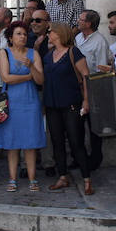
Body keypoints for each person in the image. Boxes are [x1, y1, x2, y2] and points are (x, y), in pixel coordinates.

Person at [43, 22, 94, 195]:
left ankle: (87, 179)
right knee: (57, 143)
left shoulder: (74, 52)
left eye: (51, 31)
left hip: (72, 104)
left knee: (76, 142)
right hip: (52, 105)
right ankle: (63, 176)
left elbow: (86, 76)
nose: (49, 34)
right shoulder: (48, 55)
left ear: (59, 33)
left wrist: (86, 101)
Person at [0, 21, 45, 192]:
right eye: (18, 34)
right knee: (12, 142)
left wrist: (31, 67)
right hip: (11, 101)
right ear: (10, 37)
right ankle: (12, 179)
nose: (22, 37)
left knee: (30, 142)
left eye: (24, 34)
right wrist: (27, 77)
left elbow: (40, 80)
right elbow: (6, 78)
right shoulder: (4, 53)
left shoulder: (33, 54)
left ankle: (33, 179)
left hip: (30, 100)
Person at [75, 9, 112, 170]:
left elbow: (102, 69)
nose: (78, 20)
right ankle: (80, 158)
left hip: (94, 88)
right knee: (78, 126)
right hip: (78, 87)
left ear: (89, 23)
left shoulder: (100, 42)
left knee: (94, 127)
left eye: (81, 19)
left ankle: (95, 160)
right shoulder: (77, 38)